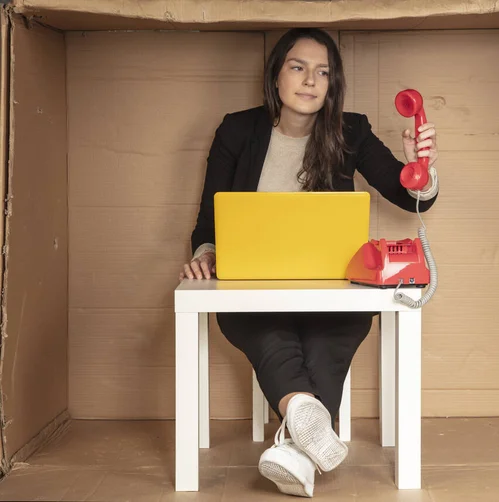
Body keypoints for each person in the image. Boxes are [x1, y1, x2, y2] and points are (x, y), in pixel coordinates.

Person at [179, 28, 439, 498]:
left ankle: (296, 436)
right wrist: (205, 255)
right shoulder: (238, 130)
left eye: (323, 72)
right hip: (252, 291)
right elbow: (208, 222)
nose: (310, 80)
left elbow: (409, 196)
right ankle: (303, 423)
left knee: (327, 341)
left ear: (332, 84)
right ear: (275, 75)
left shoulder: (351, 130)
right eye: (298, 67)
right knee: (268, 332)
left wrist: (419, 168)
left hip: (336, 289)